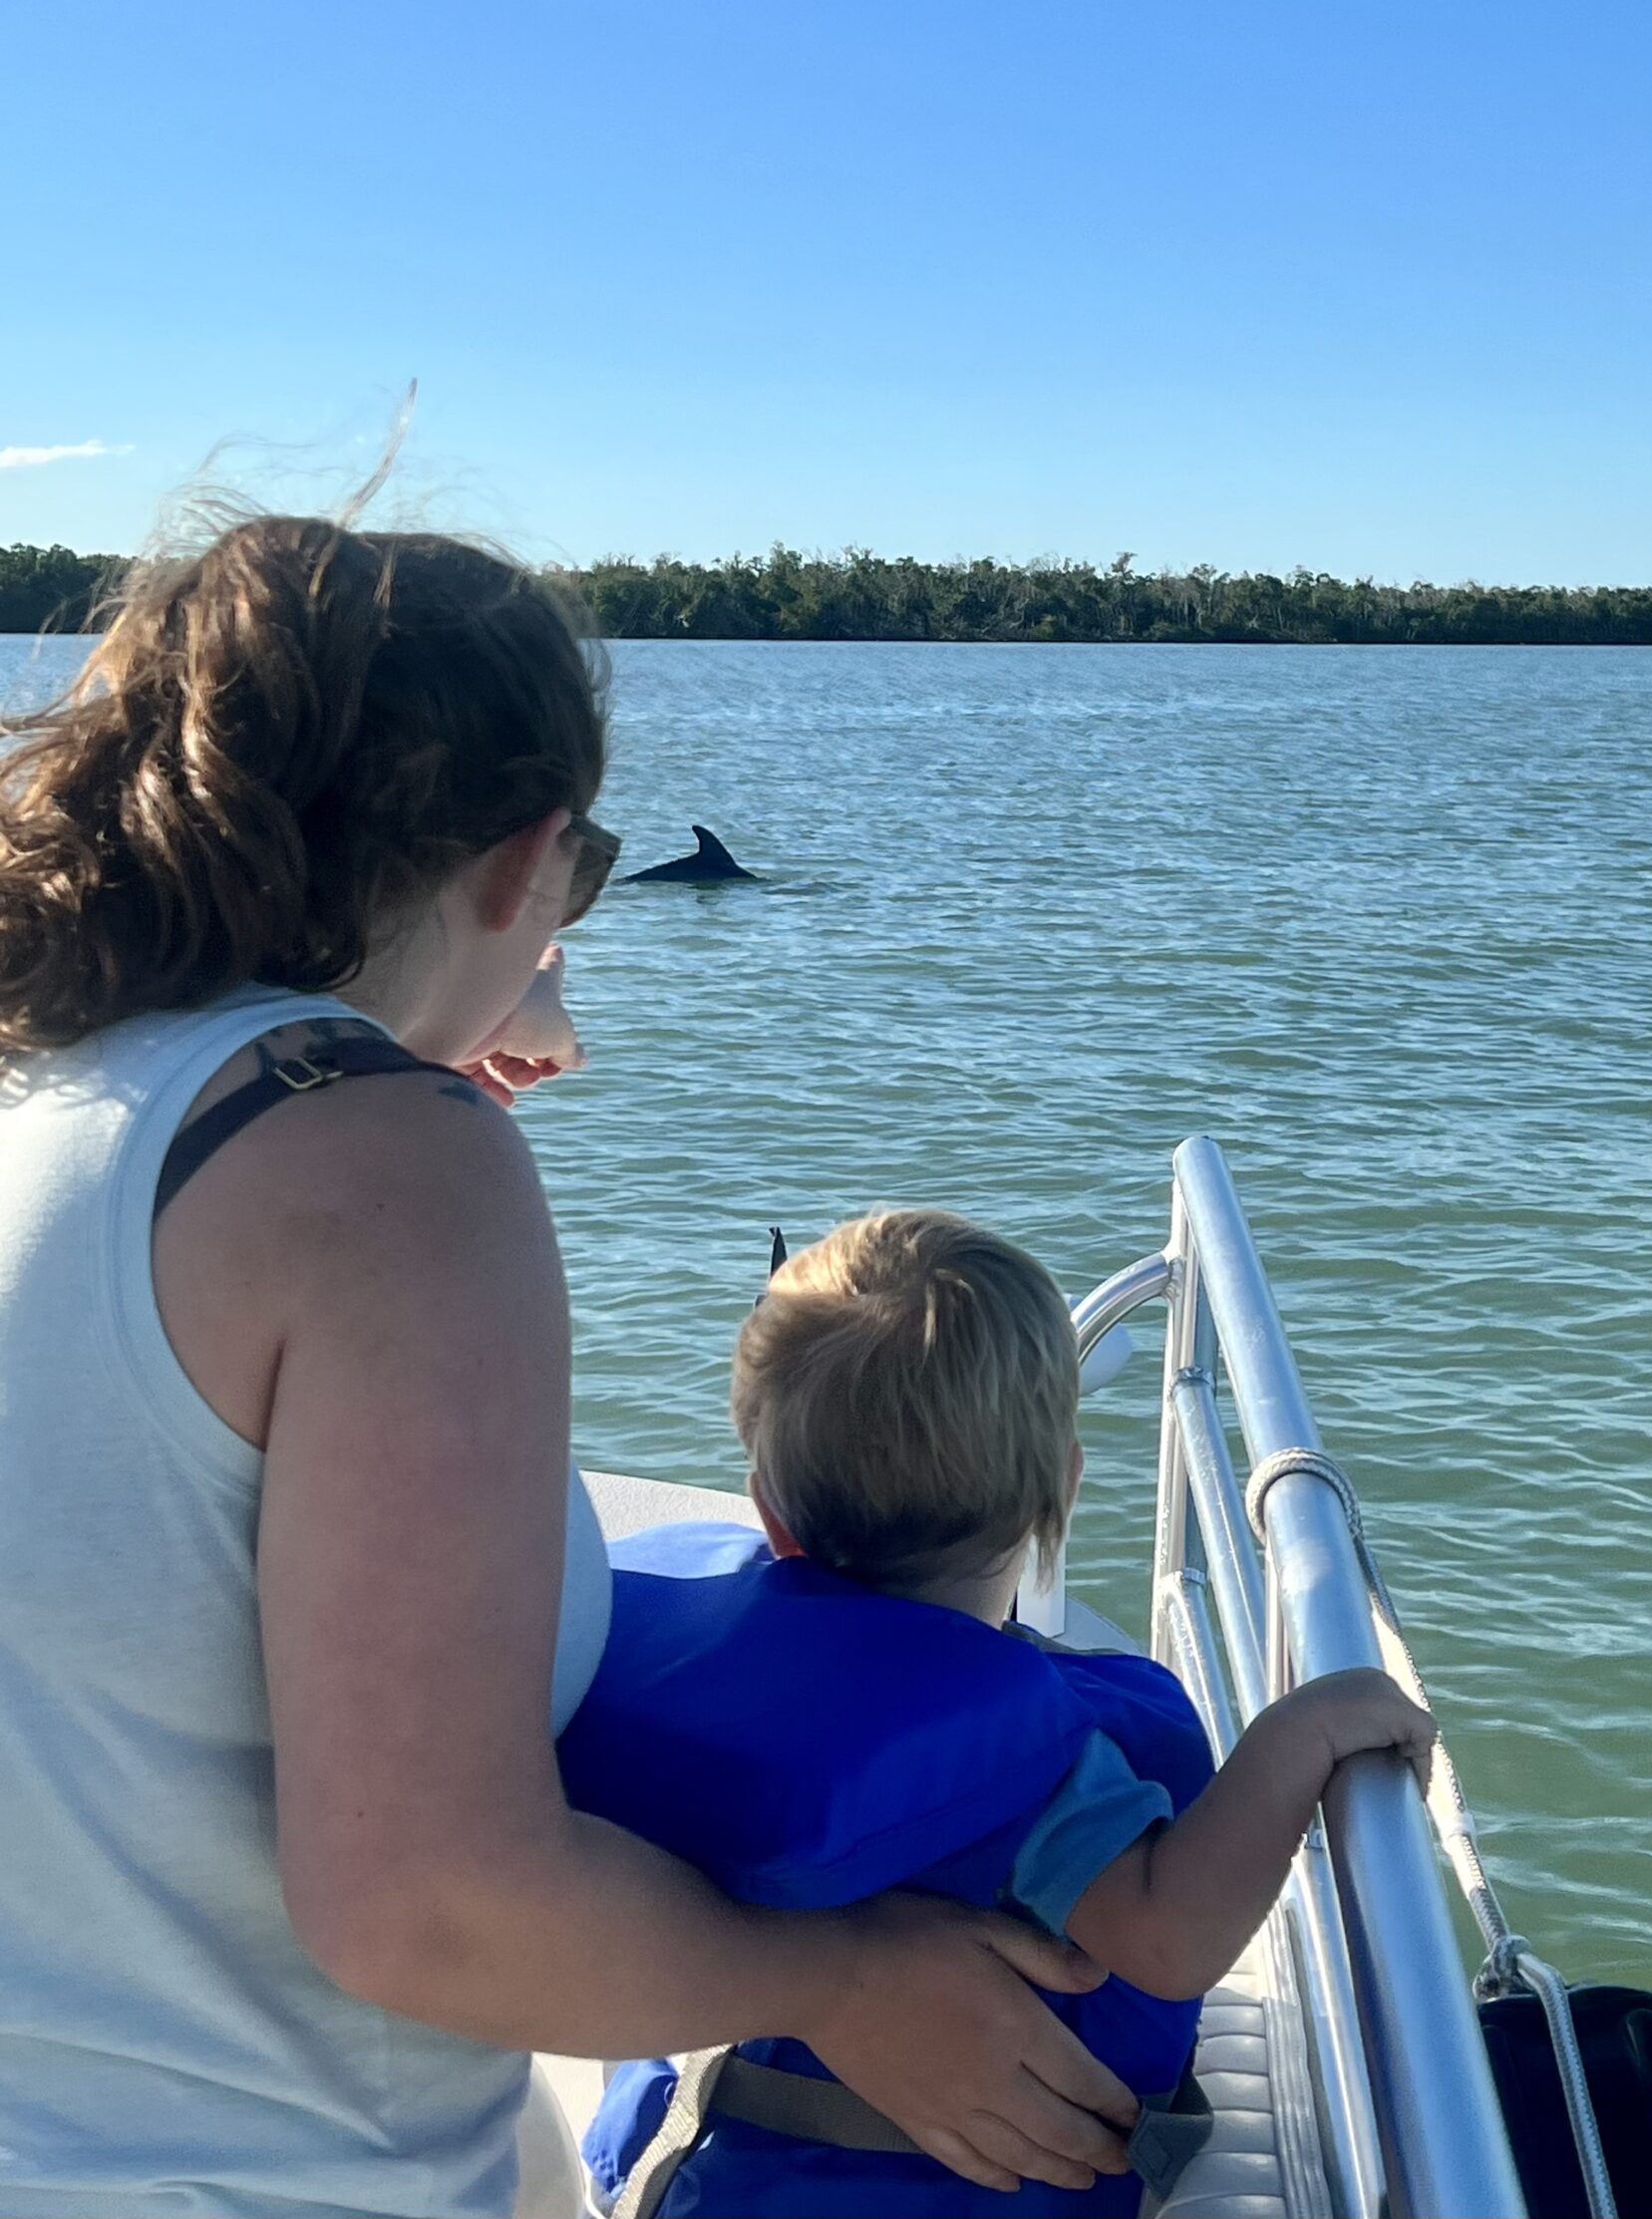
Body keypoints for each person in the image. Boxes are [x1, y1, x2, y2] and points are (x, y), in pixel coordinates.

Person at [0, 512, 1139, 2219]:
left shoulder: (64, 1089)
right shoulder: (387, 1164)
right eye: (579, 884)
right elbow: (421, 1907)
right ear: (528, 862)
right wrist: (839, 1984)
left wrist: (432, 1043)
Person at [567, 1209, 1437, 2219]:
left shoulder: (679, 1668)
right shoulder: (1042, 1755)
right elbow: (1166, 1936)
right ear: (1055, 1493)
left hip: (693, 2180)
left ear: (767, 1509)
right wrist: (1300, 1733)